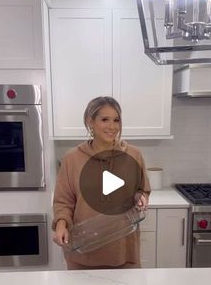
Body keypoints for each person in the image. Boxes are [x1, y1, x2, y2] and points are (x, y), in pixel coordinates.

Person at [52, 96, 151, 270]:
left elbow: (142, 190)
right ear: (90, 121)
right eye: (104, 119)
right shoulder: (72, 158)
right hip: (83, 250)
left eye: (116, 120)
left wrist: (140, 197)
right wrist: (61, 225)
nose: (112, 126)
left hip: (123, 249)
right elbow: (63, 201)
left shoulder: (134, 155)